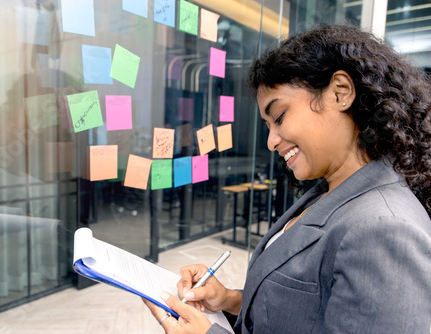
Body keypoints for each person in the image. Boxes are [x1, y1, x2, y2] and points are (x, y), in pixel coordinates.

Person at [143, 24, 431, 333]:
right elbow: (299, 316)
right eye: (268, 125)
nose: (271, 141)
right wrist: (229, 300)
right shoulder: (327, 192)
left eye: (279, 117)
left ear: (340, 92)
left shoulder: (385, 229)